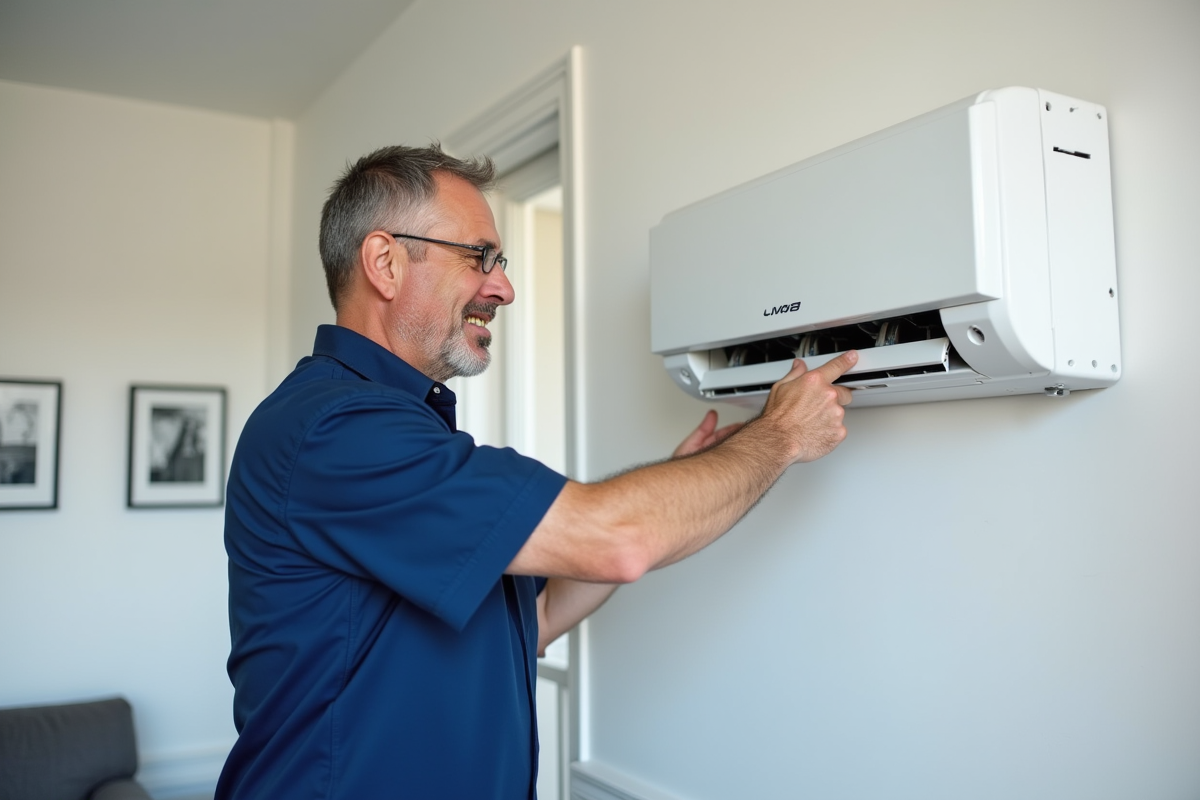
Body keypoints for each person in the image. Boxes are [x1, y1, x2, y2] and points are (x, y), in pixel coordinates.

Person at [217, 144, 857, 800]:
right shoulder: (337, 429)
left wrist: (692, 479)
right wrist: (779, 437)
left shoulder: (396, 430)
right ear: (383, 262)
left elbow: (540, 613)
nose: (503, 287)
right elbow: (617, 540)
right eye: (479, 257)